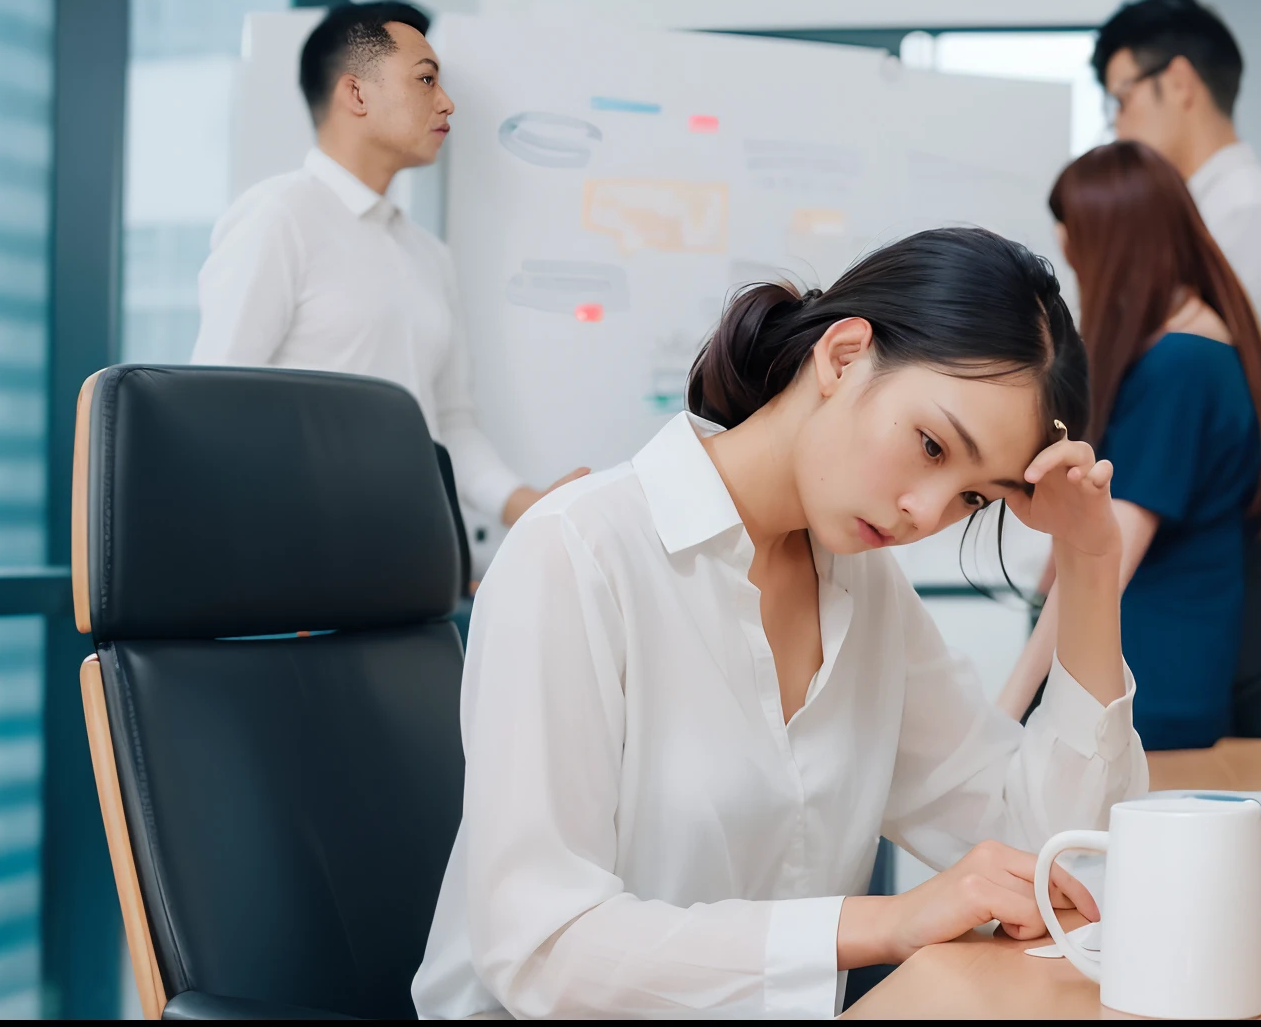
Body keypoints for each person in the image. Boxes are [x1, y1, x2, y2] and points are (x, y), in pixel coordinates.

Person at [410, 228, 1148, 1018]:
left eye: (974, 496)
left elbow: (1056, 857)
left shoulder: (869, 597)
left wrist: (1090, 562)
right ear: (841, 356)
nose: (927, 513)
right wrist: (884, 924)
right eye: (931, 445)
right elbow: (542, 946)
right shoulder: (578, 552)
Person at [191, 1, 583, 529]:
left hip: (410, 548)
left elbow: (450, 424)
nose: (446, 103)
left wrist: (528, 507)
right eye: (426, 80)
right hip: (299, 557)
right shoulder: (279, 216)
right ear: (355, 93)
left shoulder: (428, 255)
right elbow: (211, 410)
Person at [997, 142, 1261, 752]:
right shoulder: (1204, 341)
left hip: (1162, 669)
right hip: (1178, 646)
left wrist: (1003, 718)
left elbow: (1102, 558)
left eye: (1076, 251)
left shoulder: (1179, 368)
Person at [1093, 0, 1261, 735]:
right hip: (1181, 552)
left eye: (1120, 97)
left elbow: (1180, 390)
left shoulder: (1242, 213)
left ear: (1178, 83)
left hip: (1215, 558)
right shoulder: (1202, 211)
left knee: (1200, 805)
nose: (1117, 122)